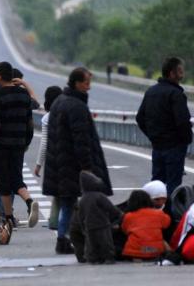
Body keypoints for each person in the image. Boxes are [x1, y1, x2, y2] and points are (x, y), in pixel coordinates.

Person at [43, 67, 113, 255]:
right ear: (76, 83)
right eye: (86, 83)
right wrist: (87, 168)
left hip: (61, 163)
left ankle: (65, 238)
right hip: (72, 165)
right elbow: (81, 140)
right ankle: (68, 239)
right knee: (75, 203)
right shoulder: (76, 106)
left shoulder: (59, 101)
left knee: (68, 202)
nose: (88, 87)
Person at [0, 62, 38, 229]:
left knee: (3, 183)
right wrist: (26, 142)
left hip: (0, 146)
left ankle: (7, 217)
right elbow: (30, 123)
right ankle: (29, 201)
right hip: (19, 144)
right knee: (17, 179)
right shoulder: (24, 96)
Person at [136, 57, 192, 195]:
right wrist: (185, 140)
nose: (182, 73)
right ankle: (170, 214)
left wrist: (153, 136)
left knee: (156, 184)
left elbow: (139, 117)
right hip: (174, 147)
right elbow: (182, 122)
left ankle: (154, 213)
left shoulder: (151, 92)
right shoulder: (176, 94)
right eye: (180, 70)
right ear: (172, 73)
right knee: (173, 185)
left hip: (157, 146)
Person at [78, 171, 122, 264]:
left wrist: (82, 226)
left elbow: (80, 215)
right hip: (102, 224)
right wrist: (120, 214)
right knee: (106, 242)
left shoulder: (83, 199)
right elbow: (110, 208)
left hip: (89, 225)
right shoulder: (100, 196)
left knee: (91, 243)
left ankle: (93, 258)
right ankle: (109, 257)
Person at [35, 86, 63, 230]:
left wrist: (39, 164)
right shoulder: (66, 113)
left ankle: (55, 221)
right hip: (69, 158)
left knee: (58, 193)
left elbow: (44, 143)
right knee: (67, 193)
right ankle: (57, 221)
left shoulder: (47, 118)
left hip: (54, 160)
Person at [121, 190, 171, 260]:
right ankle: (170, 255)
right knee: (163, 240)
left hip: (135, 251)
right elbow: (167, 223)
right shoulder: (159, 213)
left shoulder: (128, 216)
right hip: (156, 250)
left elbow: (125, 230)